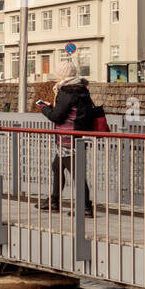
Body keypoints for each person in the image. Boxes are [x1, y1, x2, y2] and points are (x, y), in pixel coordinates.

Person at [36, 59, 94, 214]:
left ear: (61, 75)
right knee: (57, 167)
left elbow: (57, 117)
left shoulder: (66, 91)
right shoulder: (82, 90)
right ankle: (54, 201)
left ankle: (85, 206)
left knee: (76, 173)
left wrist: (44, 108)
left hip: (67, 139)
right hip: (77, 137)